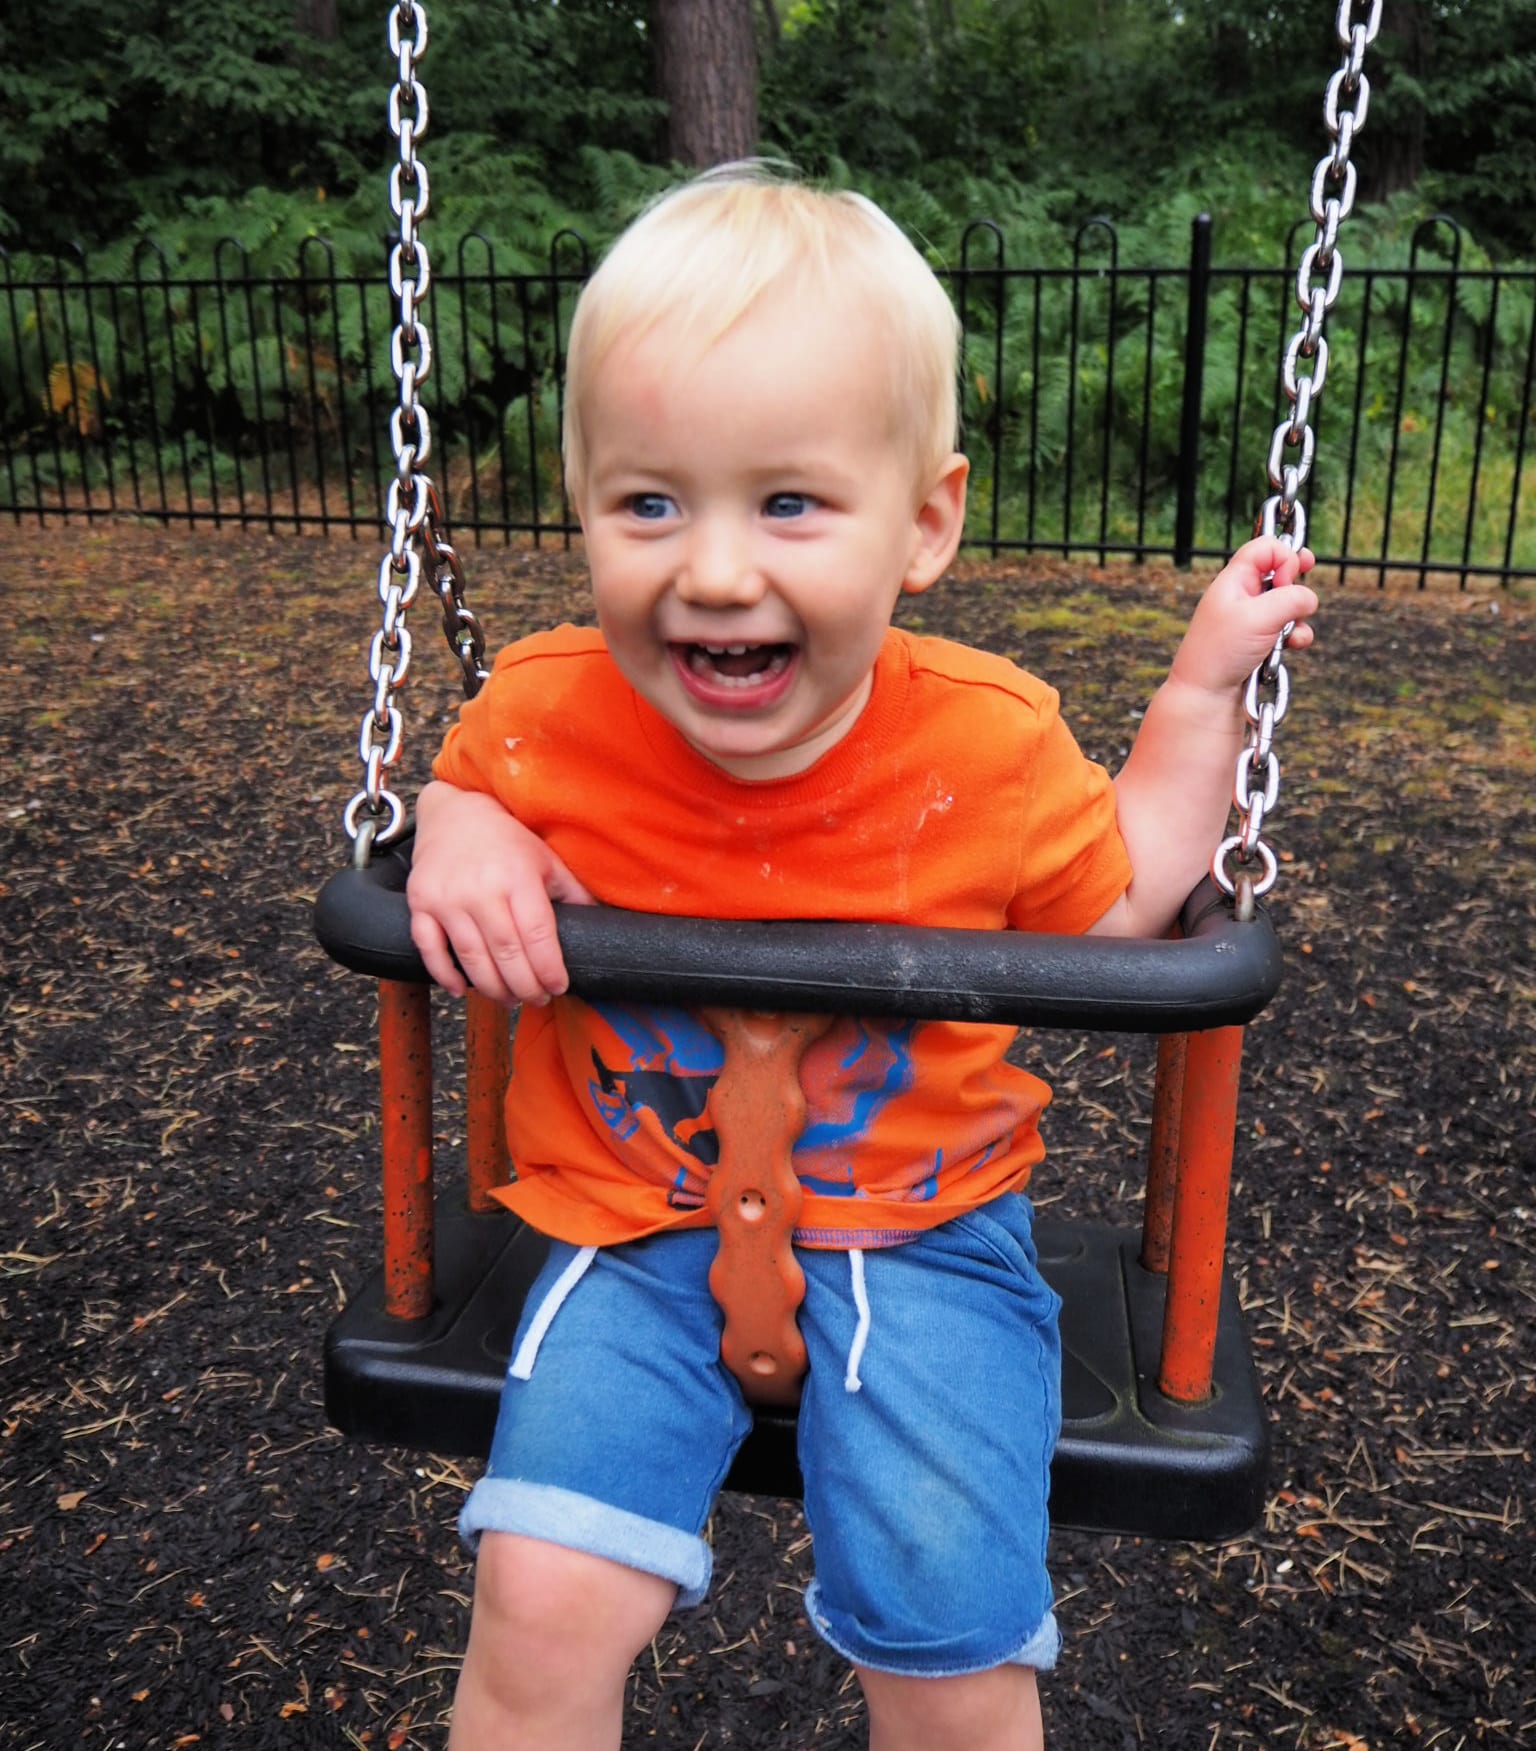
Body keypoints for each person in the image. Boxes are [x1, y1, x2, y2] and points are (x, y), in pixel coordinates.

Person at [406, 164, 1317, 1751]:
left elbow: (1116, 919)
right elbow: (470, 787)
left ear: (927, 523)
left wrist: (1201, 699)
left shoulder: (988, 744)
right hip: (628, 1231)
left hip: (924, 1234)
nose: (712, 570)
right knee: (540, 1598)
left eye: (789, 503)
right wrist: (454, 825)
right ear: (584, 506)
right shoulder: (545, 715)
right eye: (650, 503)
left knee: (955, 1657)